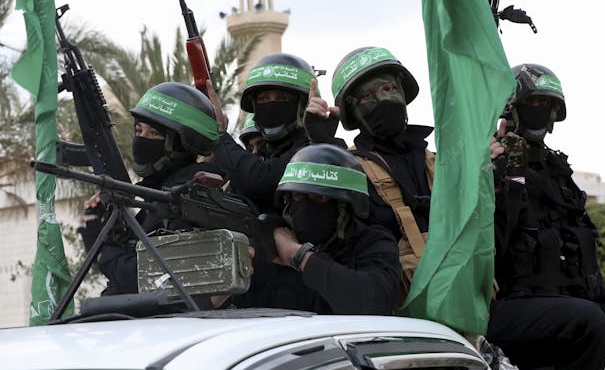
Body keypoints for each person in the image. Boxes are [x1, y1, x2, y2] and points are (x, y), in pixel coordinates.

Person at [488, 63, 605, 370]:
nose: (539, 111)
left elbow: (586, 252)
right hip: (514, 311)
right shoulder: (489, 163)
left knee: (590, 321)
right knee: (585, 320)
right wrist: (508, 175)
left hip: (566, 323)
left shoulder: (560, 175)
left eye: (547, 105)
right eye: (532, 103)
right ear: (511, 109)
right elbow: (490, 241)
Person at [307, 46, 434, 305]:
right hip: (403, 311)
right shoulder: (352, 168)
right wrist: (324, 147)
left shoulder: (438, 162)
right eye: (368, 96)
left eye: (388, 88)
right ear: (352, 111)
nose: (383, 99)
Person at [78, 81, 224, 295]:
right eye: (139, 130)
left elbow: (145, 277)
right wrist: (98, 228)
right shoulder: (159, 195)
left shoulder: (189, 198)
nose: (142, 140)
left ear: (180, 144)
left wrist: (105, 253)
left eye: (154, 134)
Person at [231, 143, 400, 314]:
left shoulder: (373, 243)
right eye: (297, 196)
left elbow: (375, 302)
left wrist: (299, 256)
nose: (305, 206)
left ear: (346, 206)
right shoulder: (269, 245)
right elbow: (218, 308)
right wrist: (227, 283)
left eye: (319, 197)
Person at [211, 52, 315, 210]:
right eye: (263, 99)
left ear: (302, 106)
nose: (271, 107)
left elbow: (260, 180)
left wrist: (220, 135)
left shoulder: (313, 149)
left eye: (282, 98)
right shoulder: (266, 154)